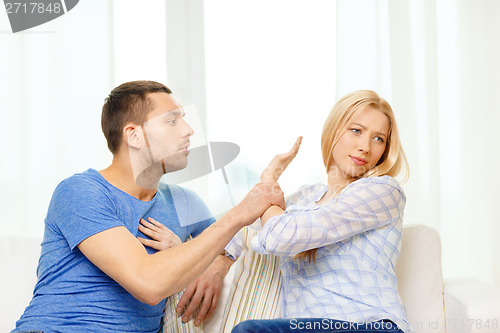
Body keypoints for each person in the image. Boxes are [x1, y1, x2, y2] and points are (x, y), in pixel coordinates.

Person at [12, 81, 285, 333]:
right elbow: (148, 283)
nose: (189, 131)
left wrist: (219, 263)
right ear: (134, 136)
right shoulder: (81, 191)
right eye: (171, 121)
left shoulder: (184, 202)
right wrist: (239, 213)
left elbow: (233, 245)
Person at [229, 90, 412, 332]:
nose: (365, 147)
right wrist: (218, 262)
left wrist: (268, 182)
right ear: (333, 130)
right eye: (356, 130)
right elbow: (238, 231)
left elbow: (279, 237)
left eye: (378, 139)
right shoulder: (304, 197)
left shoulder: (383, 191)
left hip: (371, 326)